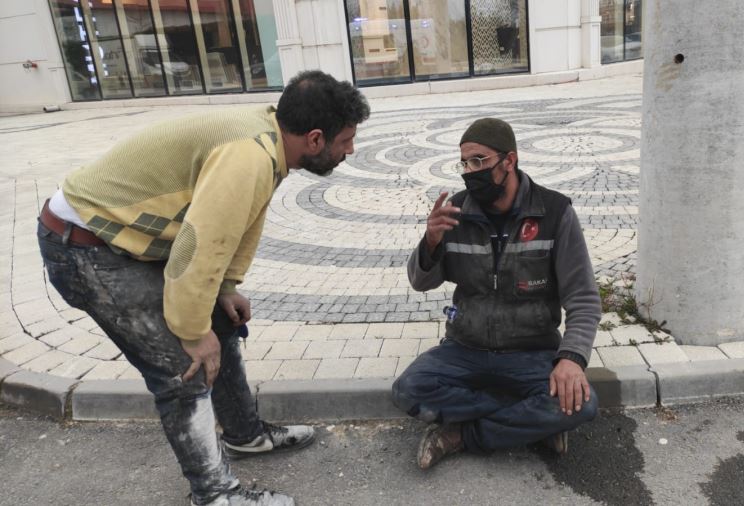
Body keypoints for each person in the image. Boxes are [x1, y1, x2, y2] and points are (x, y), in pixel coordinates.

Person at [36, 71, 370, 505]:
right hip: (86, 247)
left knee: (221, 322)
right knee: (181, 370)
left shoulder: (270, 137)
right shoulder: (248, 155)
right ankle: (214, 496)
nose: (350, 150)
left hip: (116, 239)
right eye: (345, 141)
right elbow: (196, 250)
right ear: (315, 138)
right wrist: (193, 335)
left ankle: (244, 436)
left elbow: (232, 228)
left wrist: (226, 289)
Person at [392, 118, 602, 469]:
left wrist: (572, 358)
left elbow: (583, 298)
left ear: (509, 160)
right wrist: (430, 243)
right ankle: (530, 421)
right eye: (464, 163)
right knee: (408, 390)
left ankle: (460, 435)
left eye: (479, 161)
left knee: (584, 403)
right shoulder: (455, 213)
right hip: (465, 350)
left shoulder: (554, 213)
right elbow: (420, 282)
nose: (469, 171)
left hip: (531, 352)